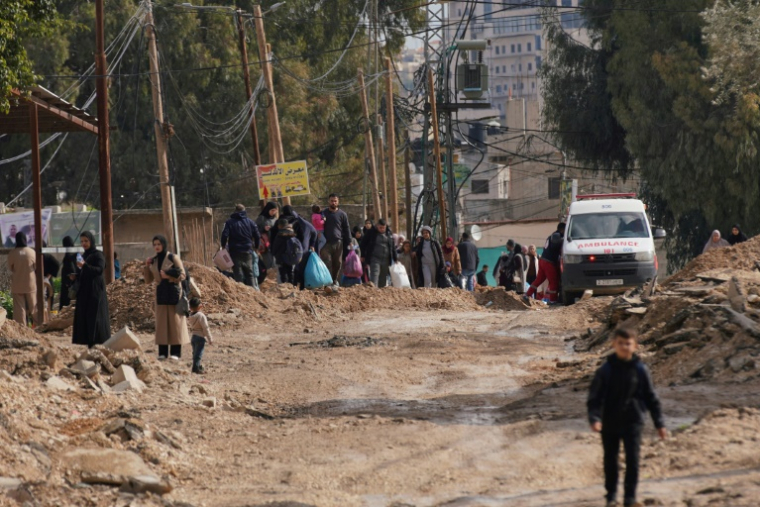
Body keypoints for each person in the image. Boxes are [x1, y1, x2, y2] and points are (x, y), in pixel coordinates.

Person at [588, 328, 667, 507]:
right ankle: (611, 496)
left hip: (634, 420)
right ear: (613, 345)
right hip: (610, 421)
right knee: (611, 459)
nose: (624, 347)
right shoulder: (605, 371)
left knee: (633, 460)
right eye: (620, 343)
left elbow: (651, 397)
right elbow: (595, 397)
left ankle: (630, 498)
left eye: (628, 343)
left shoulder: (641, 370)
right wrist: (595, 418)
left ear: (635, 346)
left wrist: (659, 423)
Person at [143, 235, 189, 360]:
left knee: (175, 323)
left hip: (174, 292)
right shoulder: (154, 260)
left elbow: (183, 275)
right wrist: (147, 266)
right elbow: (148, 280)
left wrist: (169, 276)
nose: (157, 247)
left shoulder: (173, 257)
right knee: (162, 323)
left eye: (159, 244)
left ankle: (175, 353)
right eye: (155, 244)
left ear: (163, 244)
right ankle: (162, 353)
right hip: (161, 293)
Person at [72, 231, 110, 347]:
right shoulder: (84, 255)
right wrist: (76, 276)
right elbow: (84, 272)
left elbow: (99, 270)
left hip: (95, 292)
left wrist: (85, 266)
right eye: (82, 241)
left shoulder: (98, 255)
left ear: (91, 241)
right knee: (85, 318)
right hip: (84, 292)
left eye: (86, 241)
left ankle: (98, 343)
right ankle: (89, 343)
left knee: (96, 317)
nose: (84, 243)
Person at [221, 204, 261, 287]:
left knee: (238, 275)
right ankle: (253, 292)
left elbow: (224, 235)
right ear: (244, 211)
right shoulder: (250, 222)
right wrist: (256, 247)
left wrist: (223, 246)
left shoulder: (229, 222)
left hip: (235, 251)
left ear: (235, 211)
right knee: (249, 273)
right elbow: (257, 236)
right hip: (247, 250)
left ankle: (241, 293)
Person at [525, 223, 565, 303]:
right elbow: (557, 249)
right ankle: (553, 300)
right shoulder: (557, 236)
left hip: (543, 260)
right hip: (549, 262)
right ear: (562, 229)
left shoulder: (551, 236)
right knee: (553, 281)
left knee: (539, 279)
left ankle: (527, 294)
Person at [7, 232, 38, 326]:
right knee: (33, 307)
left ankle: (22, 329)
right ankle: (38, 326)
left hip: (17, 284)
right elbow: (36, 267)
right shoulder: (32, 252)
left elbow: (10, 268)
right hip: (30, 284)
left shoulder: (12, 253)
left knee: (19, 308)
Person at [320, 193, 351, 284]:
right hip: (325, 243)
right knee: (327, 262)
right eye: (332, 201)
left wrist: (349, 241)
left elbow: (346, 228)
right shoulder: (323, 213)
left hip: (338, 242)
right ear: (328, 201)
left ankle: (334, 281)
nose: (333, 203)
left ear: (338, 202)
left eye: (335, 201)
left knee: (337, 263)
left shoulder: (342, 214)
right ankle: (327, 282)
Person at [361, 219, 398, 288]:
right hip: (374, 258)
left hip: (386, 259)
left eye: (383, 228)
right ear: (377, 226)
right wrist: (363, 255)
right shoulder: (371, 233)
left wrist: (395, 258)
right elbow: (363, 244)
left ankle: (381, 293)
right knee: (374, 275)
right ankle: (373, 291)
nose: (382, 229)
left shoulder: (389, 234)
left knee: (383, 277)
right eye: (380, 227)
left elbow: (392, 247)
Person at [188, 297, 213, 374]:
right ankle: (195, 369)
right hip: (200, 337)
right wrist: (209, 338)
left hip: (193, 336)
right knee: (198, 354)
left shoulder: (190, 315)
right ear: (200, 306)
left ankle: (197, 366)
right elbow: (205, 328)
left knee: (195, 353)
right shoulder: (201, 316)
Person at [272, 219, 301, 285]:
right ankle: (291, 286)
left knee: (283, 273)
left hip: (281, 257)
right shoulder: (292, 233)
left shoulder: (280, 234)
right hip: (290, 256)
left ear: (279, 226)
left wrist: (274, 253)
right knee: (290, 272)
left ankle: (285, 286)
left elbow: (276, 246)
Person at [256, 202, 279, 271]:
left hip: (274, 243)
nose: (273, 212)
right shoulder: (261, 218)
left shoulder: (275, 219)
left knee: (275, 263)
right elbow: (255, 230)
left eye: (275, 210)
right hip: (265, 244)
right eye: (272, 210)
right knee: (268, 263)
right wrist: (263, 229)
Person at [59, 236, 78, 310]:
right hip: (74, 282)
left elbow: (71, 268)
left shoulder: (68, 255)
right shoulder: (76, 253)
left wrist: (68, 282)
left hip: (68, 284)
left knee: (66, 303)